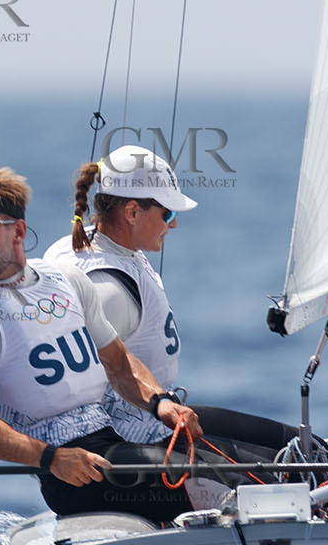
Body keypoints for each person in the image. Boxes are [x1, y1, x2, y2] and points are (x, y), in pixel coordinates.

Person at [0, 165, 206, 525]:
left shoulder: (64, 279)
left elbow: (119, 363)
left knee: (279, 454)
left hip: (109, 437)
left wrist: (159, 403)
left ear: (18, 231)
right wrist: (51, 458)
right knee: (214, 481)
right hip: (69, 471)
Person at [45, 144, 302, 454]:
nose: (174, 223)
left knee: (302, 446)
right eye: (168, 213)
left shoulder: (91, 244)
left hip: (158, 418)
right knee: (294, 465)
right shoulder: (107, 289)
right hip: (139, 438)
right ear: (132, 212)